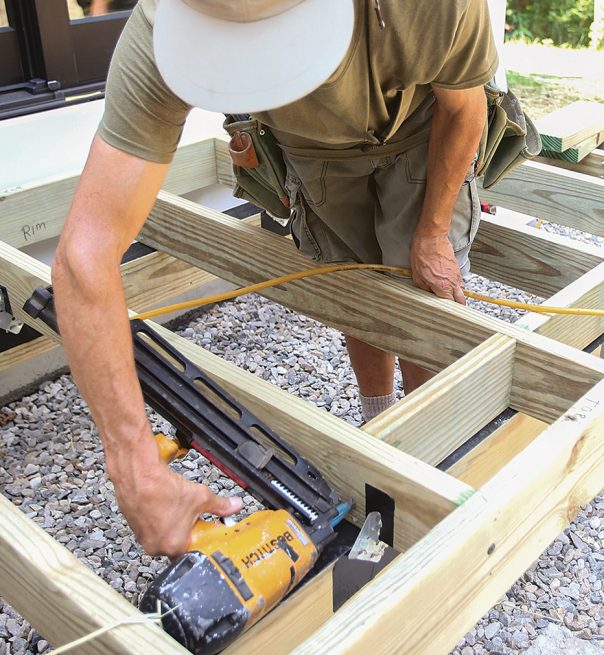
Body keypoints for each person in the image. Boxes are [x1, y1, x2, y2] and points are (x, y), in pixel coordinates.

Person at [52, 0, 498, 557]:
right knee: (355, 295)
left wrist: (432, 231)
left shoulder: (430, 7)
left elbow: (465, 111)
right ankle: (380, 426)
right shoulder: (163, 26)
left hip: (419, 130)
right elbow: (82, 255)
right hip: (313, 153)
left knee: (417, 304)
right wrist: (133, 465)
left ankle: (432, 456)